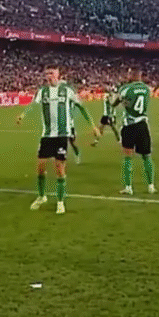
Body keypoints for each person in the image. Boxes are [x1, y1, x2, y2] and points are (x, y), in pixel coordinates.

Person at [16, 67, 98, 214]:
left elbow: (82, 107)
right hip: (47, 135)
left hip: (62, 134)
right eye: (47, 74)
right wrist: (22, 115)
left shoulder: (67, 90)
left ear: (58, 75)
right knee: (40, 167)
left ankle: (60, 202)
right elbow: (32, 105)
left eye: (52, 73)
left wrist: (92, 126)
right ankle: (41, 197)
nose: (49, 76)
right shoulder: (42, 91)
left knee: (59, 169)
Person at [113, 68, 156, 195]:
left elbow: (116, 102)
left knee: (128, 157)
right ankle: (151, 186)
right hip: (142, 124)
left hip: (130, 125)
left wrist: (121, 103)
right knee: (147, 156)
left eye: (128, 73)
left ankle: (128, 187)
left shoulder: (126, 89)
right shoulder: (146, 89)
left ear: (131, 75)